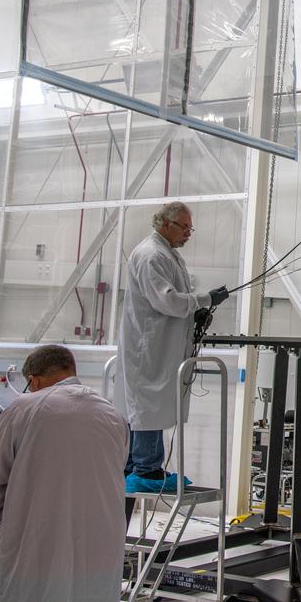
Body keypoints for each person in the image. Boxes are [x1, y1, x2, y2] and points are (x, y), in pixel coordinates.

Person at [0, 345, 129, 602]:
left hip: (37, 555)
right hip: (101, 554)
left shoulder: (24, 408)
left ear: (33, 380)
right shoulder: (113, 415)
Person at [117, 200, 229, 493]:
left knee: (152, 404)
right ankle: (146, 468)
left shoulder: (167, 254)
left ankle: (143, 465)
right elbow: (166, 300)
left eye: (191, 228)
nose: (189, 234)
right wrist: (204, 300)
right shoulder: (152, 255)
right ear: (165, 224)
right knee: (147, 405)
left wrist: (196, 311)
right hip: (149, 346)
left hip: (160, 344)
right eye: (185, 227)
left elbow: (175, 299)